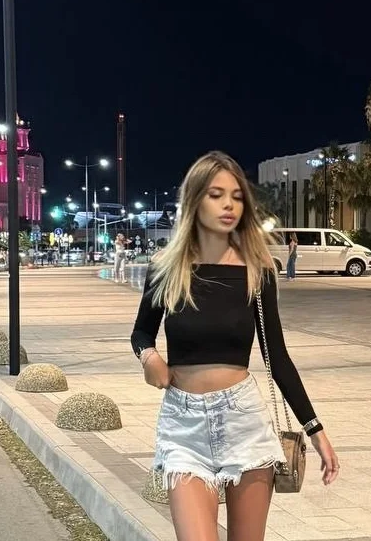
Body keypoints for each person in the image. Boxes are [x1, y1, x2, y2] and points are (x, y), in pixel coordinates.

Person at [130, 151, 338, 541]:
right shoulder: (165, 268)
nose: (229, 205)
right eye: (216, 195)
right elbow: (141, 331)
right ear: (195, 200)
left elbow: (277, 357)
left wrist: (315, 429)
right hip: (184, 426)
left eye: (237, 196)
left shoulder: (258, 271)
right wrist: (149, 356)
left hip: (243, 420)